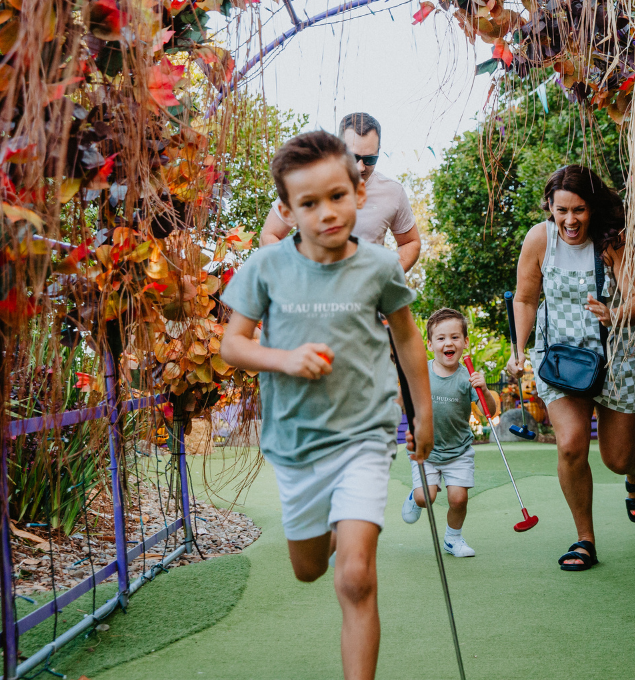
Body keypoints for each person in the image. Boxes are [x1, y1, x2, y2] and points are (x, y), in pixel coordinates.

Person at [220, 130, 433, 680]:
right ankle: (336, 525)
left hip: (364, 433)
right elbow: (232, 343)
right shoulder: (265, 268)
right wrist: (285, 359)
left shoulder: (381, 266)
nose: (326, 213)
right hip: (296, 443)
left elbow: (408, 338)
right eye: (308, 203)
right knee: (311, 570)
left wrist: (422, 412)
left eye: (337, 196)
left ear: (359, 194)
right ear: (287, 210)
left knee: (355, 577)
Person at [506, 165, 635, 573]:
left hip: (614, 358)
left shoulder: (612, 241)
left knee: (616, 457)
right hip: (560, 361)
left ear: (592, 208)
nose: (570, 220)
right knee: (571, 445)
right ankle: (584, 539)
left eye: (579, 210)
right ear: (550, 209)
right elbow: (524, 299)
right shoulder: (540, 239)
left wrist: (614, 313)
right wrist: (520, 349)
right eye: (561, 211)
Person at [260, 112, 422, 272]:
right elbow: (270, 235)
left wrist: (387, 278)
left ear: (379, 151)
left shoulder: (392, 192)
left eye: (370, 159)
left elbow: (410, 242)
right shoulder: (307, 181)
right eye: (353, 157)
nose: (361, 167)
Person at [400, 308, 498, 558]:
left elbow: (491, 411)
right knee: (426, 498)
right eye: (441, 338)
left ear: (465, 342)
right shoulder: (421, 371)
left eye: (455, 337)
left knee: (458, 499)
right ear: (430, 343)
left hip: (458, 451)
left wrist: (484, 390)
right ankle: (414, 496)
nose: (448, 343)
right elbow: (402, 401)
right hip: (426, 450)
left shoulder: (469, 377)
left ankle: (453, 539)